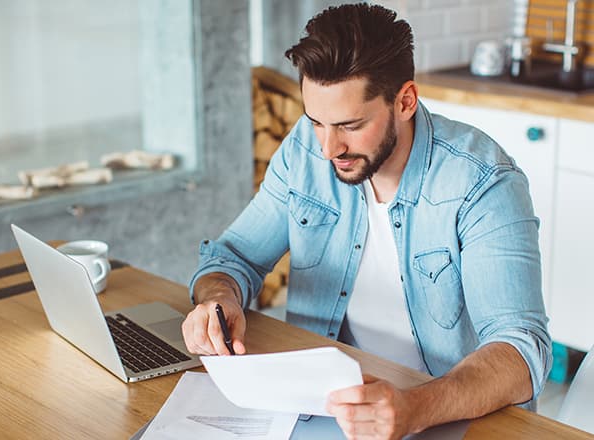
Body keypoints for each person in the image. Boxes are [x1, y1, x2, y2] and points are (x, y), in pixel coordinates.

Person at [182, 3, 551, 438]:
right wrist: (218, 300)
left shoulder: (483, 182)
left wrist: (414, 407)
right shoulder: (305, 150)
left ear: (405, 101)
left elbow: (521, 351)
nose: (328, 148)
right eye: (316, 122)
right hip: (324, 408)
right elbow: (234, 257)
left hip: (446, 415)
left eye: (350, 125)